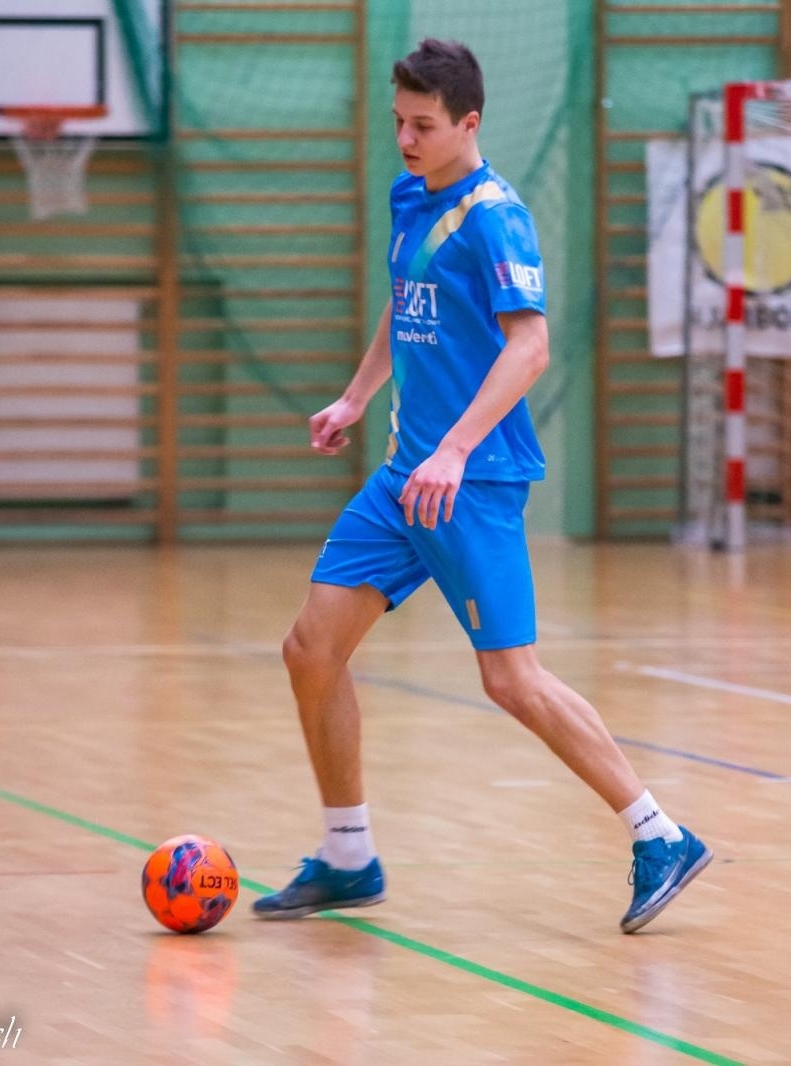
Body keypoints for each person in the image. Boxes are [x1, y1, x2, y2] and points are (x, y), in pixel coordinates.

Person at [253, 39, 710, 933]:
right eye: (398, 122)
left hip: (472, 479)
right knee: (310, 650)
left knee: (511, 680)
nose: (406, 140)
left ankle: (661, 835)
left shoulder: (497, 218)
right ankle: (348, 856)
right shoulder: (411, 193)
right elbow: (405, 302)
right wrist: (357, 396)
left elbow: (529, 347)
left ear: (469, 123)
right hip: (405, 477)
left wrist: (456, 450)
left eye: (423, 126)